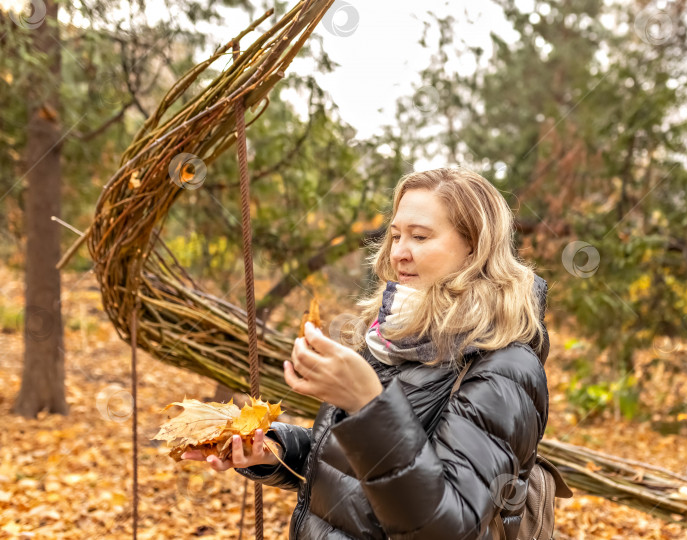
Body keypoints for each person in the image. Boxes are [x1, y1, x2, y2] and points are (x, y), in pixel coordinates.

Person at [181, 167, 551, 539]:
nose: (399, 253)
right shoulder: (390, 337)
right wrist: (272, 450)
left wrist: (369, 405)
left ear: (475, 245)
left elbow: (448, 526)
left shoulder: (504, 366)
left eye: (419, 237)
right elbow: (350, 472)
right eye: (395, 236)